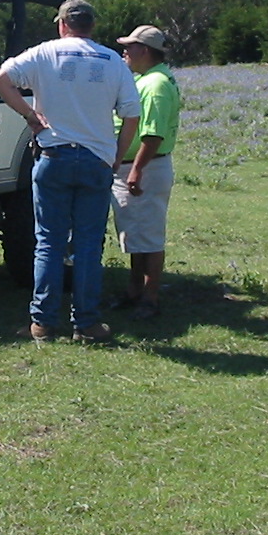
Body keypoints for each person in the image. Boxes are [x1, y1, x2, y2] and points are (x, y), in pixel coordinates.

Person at [0, 0, 140, 343]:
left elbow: (0, 79)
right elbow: (131, 114)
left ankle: (42, 322)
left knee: (48, 242)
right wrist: (117, 155)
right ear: (91, 26)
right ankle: (86, 323)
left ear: (62, 25)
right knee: (88, 244)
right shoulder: (112, 61)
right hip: (95, 159)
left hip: (53, 155)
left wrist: (30, 115)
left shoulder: (44, 53)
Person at [110, 25, 181, 320]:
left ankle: (150, 297)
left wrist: (137, 170)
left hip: (145, 168)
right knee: (136, 233)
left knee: (149, 234)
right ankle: (135, 290)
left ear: (145, 50)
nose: (125, 51)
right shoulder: (148, 79)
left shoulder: (155, 85)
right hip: (137, 167)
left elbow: (153, 135)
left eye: (130, 46)